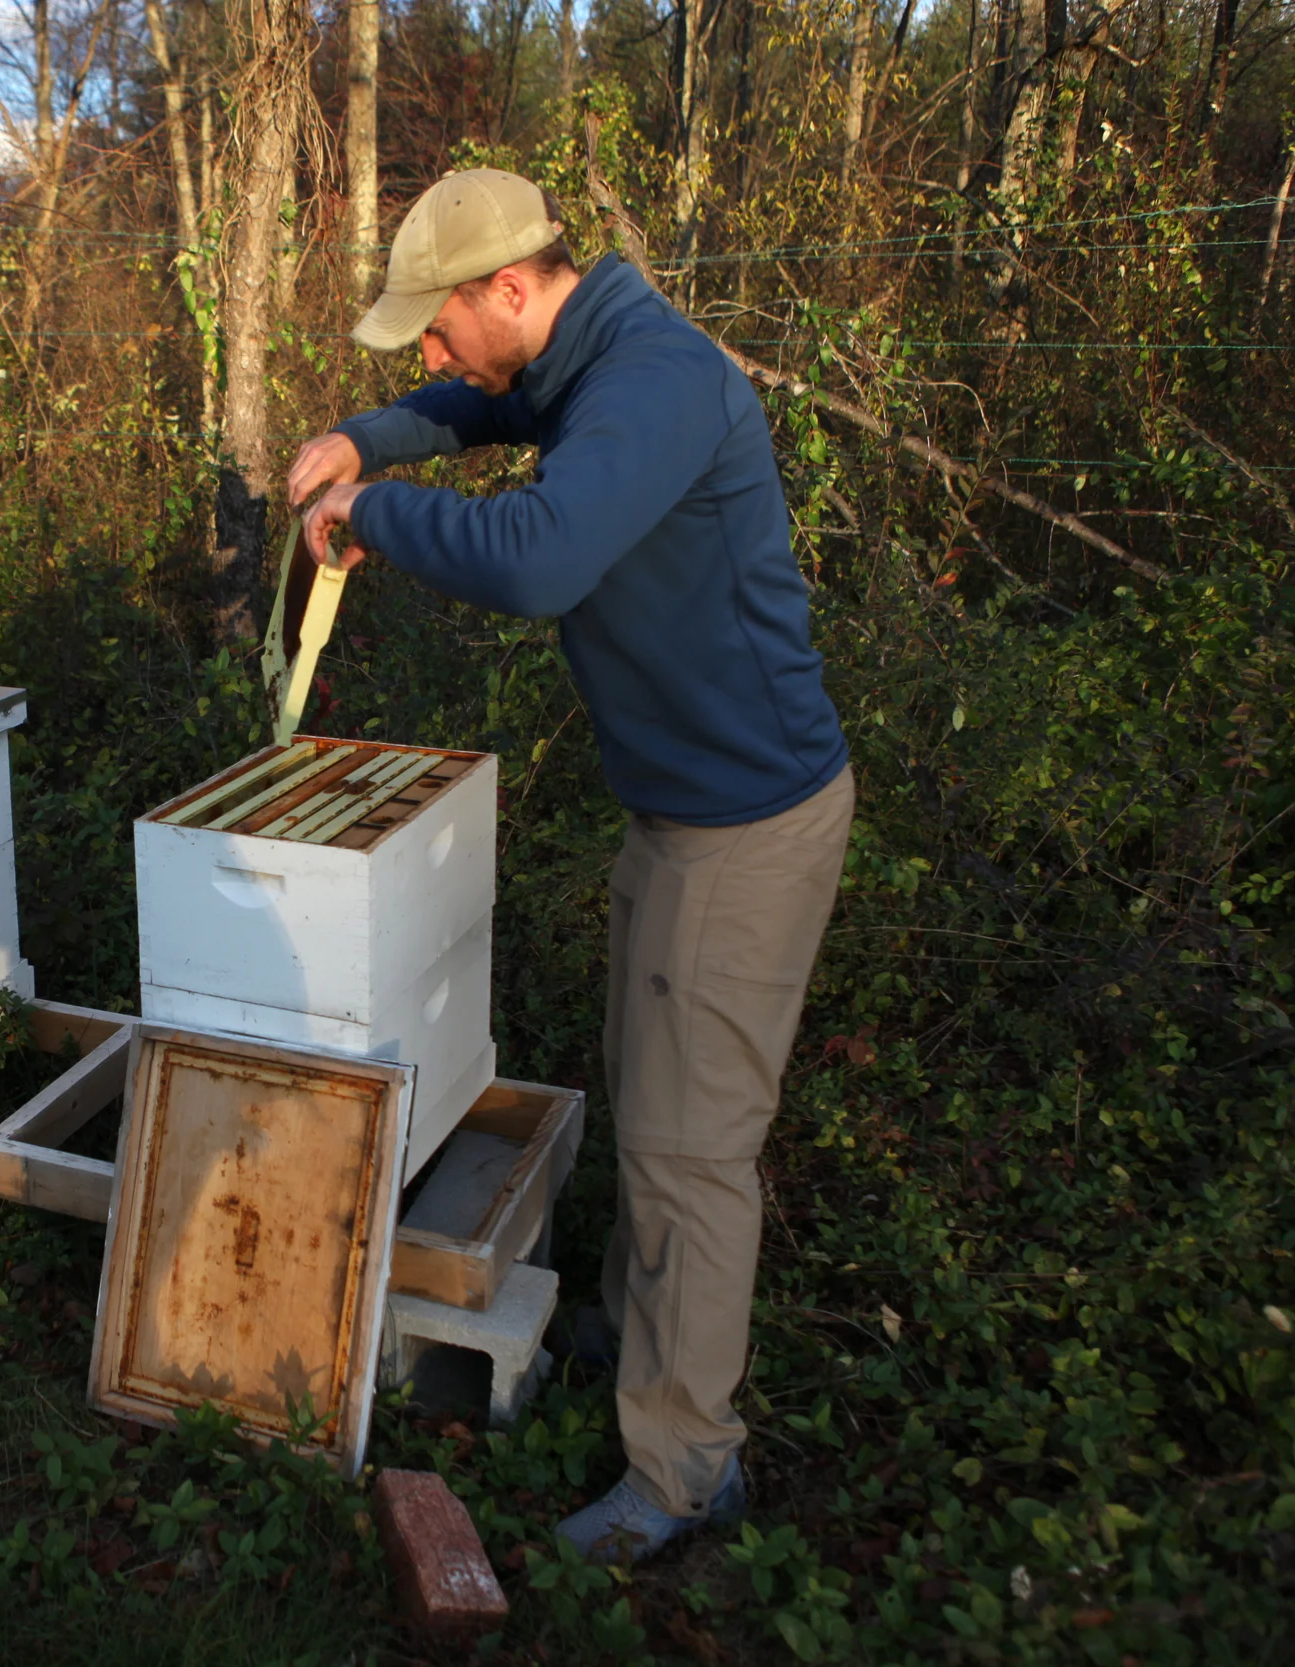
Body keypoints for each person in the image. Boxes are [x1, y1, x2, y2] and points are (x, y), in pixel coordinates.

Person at [288, 168, 854, 1565]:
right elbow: (475, 406)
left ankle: (681, 1468)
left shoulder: (653, 381)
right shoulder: (577, 345)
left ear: (510, 289)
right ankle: (628, 1318)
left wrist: (375, 518)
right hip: (682, 806)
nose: (428, 349)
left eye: (435, 321)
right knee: (647, 1071)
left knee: (692, 1148)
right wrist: (364, 437)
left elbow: (542, 558)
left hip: (746, 820)